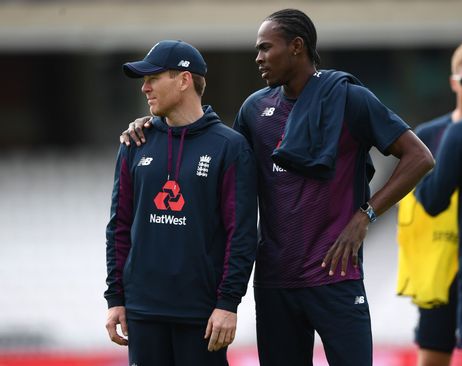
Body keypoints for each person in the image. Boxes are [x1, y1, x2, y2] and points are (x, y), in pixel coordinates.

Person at [120, 9, 434, 366]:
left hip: (335, 276)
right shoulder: (254, 110)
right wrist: (154, 125)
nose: (258, 58)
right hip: (275, 282)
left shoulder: (350, 99)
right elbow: (215, 158)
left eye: (266, 48)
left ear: (297, 47)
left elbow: (420, 157)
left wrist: (365, 216)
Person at [104, 40, 258, 366]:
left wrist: (228, 303)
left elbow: (241, 233)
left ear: (184, 80)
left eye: (153, 78)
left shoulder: (230, 147)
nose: (144, 88)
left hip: (202, 316)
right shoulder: (135, 142)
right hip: (142, 312)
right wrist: (115, 298)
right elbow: (118, 226)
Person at [396, 38, 462, 366]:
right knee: (434, 351)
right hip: (440, 266)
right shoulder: (429, 136)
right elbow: (416, 203)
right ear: (456, 81)